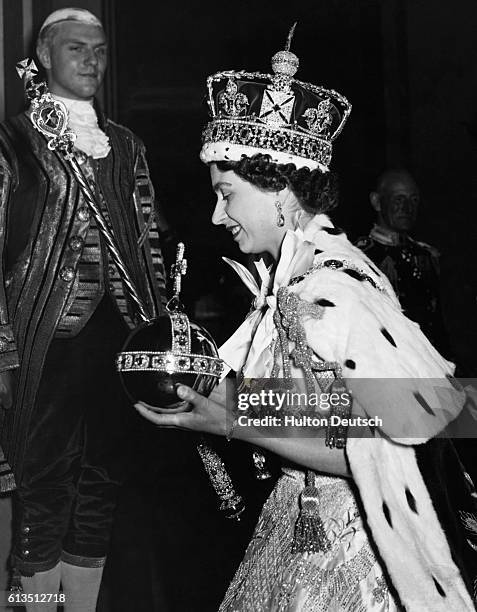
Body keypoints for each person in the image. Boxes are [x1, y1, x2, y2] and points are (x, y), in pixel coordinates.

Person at [136, 39, 477, 611]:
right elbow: (310, 413)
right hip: (297, 522)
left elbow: (375, 444)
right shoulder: (296, 277)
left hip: (352, 547)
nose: (218, 216)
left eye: (227, 194)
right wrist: (221, 403)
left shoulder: (329, 287)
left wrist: (230, 421)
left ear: (279, 191)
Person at [0, 8, 166, 610]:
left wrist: (162, 330)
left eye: (99, 50)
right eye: (77, 49)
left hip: (120, 338)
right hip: (44, 340)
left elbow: (148, 239)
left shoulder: (125, 145)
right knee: (42, 487)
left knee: (103, 482)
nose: (93, 61)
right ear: (45, 57)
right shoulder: (12, 141)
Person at [356, 170, 450, 354]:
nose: (407, 208)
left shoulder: (427, 256)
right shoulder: (361, 257)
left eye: (413, 200)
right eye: (398, 199)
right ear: (376, 202)